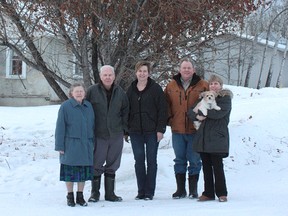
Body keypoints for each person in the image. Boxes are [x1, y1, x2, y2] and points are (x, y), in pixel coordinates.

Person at [164, 58, 209, 199]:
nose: (186, 70)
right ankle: (180, 190)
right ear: (180, 69)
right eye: (184, 68)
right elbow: (165, 105)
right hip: (177, 130)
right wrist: (170, 120)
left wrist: (204, 121)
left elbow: (210, 102)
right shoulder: (171, 85)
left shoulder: (203, 85)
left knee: (195, 160)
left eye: (189, 68)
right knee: (179, 160)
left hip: (195, 130)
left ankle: (193, 190)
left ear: (193, 70)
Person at [86, 65, 129, 202]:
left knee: (113, 164)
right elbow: (86, 111)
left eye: (110, 75)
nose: (108, 77)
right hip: (99, 133)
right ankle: (95, 193)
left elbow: (125, 111)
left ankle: (110, 194)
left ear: (114, 76)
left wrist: (124, 130)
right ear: (100, 76)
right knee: (96, 163)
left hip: (116, 133)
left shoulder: (120, 92)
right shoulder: (92, 91)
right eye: (105, 75)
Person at [126, 61, 168, 200]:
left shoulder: (155, 89)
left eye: (145, 71)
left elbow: (163, 110)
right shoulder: (130, 89)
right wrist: (126, 129)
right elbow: (126, 110)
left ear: (149, 73)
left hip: (152, 131)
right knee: (138, 161)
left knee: (151, 161)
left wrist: (160, 129)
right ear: (136, 72)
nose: (142, 73)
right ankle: (141, 191)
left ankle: (149, 192)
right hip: (135, 132)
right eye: (140, 71)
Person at [188, 74, 233, 202]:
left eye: (216, 83)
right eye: (211, 84)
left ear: (220, 85)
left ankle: (222, 193)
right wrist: (197, 116)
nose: (213, 86)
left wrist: (202, 113)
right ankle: (208, 193)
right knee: (206, 167)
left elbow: (218, 114)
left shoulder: (225, 99)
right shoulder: (204, 97)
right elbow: (191, 112)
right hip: (204, 137)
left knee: (217, 166)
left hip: (217, 137)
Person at [55, 82, 95, 207]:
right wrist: (60, 146)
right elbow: (60, 127)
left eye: (81, 91)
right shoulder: (65, 107)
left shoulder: (88, 106)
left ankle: (80, 196)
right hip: (70, 145)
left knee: (82, 173)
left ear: (84, 93)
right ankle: (70, 196)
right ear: (71, 93)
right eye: (76, 91)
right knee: (70, 172)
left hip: (86, 144)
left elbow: (93, 126)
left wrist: (92, 141)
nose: (79, 93)